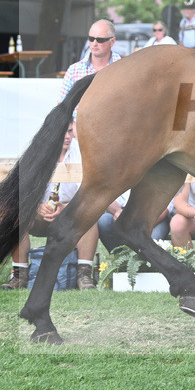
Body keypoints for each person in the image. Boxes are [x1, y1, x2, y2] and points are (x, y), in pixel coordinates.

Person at [2, 122, 102, 289]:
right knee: (14, 217)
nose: (67, 136)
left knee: (89, 217)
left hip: (69, 214)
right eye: (62, 131)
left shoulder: (82, 151)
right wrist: (36, 207)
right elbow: (20, 193)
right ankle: (20, 275)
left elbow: (88, 195)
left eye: (70, 131)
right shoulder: (36, 153)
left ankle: (84, 275)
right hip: (38, 215)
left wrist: (66, 207)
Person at [60, 19, 121, 287]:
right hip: (80, 141)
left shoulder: (124, 68)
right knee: (77, 196)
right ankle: (83, 268)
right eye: (91, 39)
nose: (94, 44)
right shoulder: (75, 71)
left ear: (112, 42)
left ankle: (113, 261)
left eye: (100, 40)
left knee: (108, 194)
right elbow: (63, 109)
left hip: (116, 141)